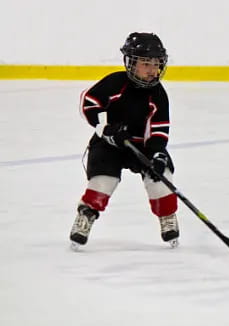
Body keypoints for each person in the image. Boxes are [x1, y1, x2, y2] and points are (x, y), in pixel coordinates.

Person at [69, 32, 179, 249]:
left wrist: (156, 154)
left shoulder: (158, 94)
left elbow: (157, 129)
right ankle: (86, 215)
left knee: (161, 176)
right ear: (131, 63)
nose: (152, 70)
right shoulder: (115, 83)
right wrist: (107, 128)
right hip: (109, 144)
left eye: (156, 64)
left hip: (141, 146)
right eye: (145, 64)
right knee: (103, 181)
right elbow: (88, 104)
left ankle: (167, 215)